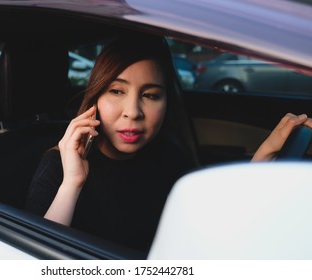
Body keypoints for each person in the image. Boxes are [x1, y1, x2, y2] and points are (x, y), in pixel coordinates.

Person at [26, 34, 312, 253]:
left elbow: (207, 229)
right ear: (96, 100)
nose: (133, 111)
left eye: (150, 95)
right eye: (116, 91)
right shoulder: (59, 165)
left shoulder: (168, 155)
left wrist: (266, 153)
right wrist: (72, 183)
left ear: (166, 103)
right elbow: (32, 257)